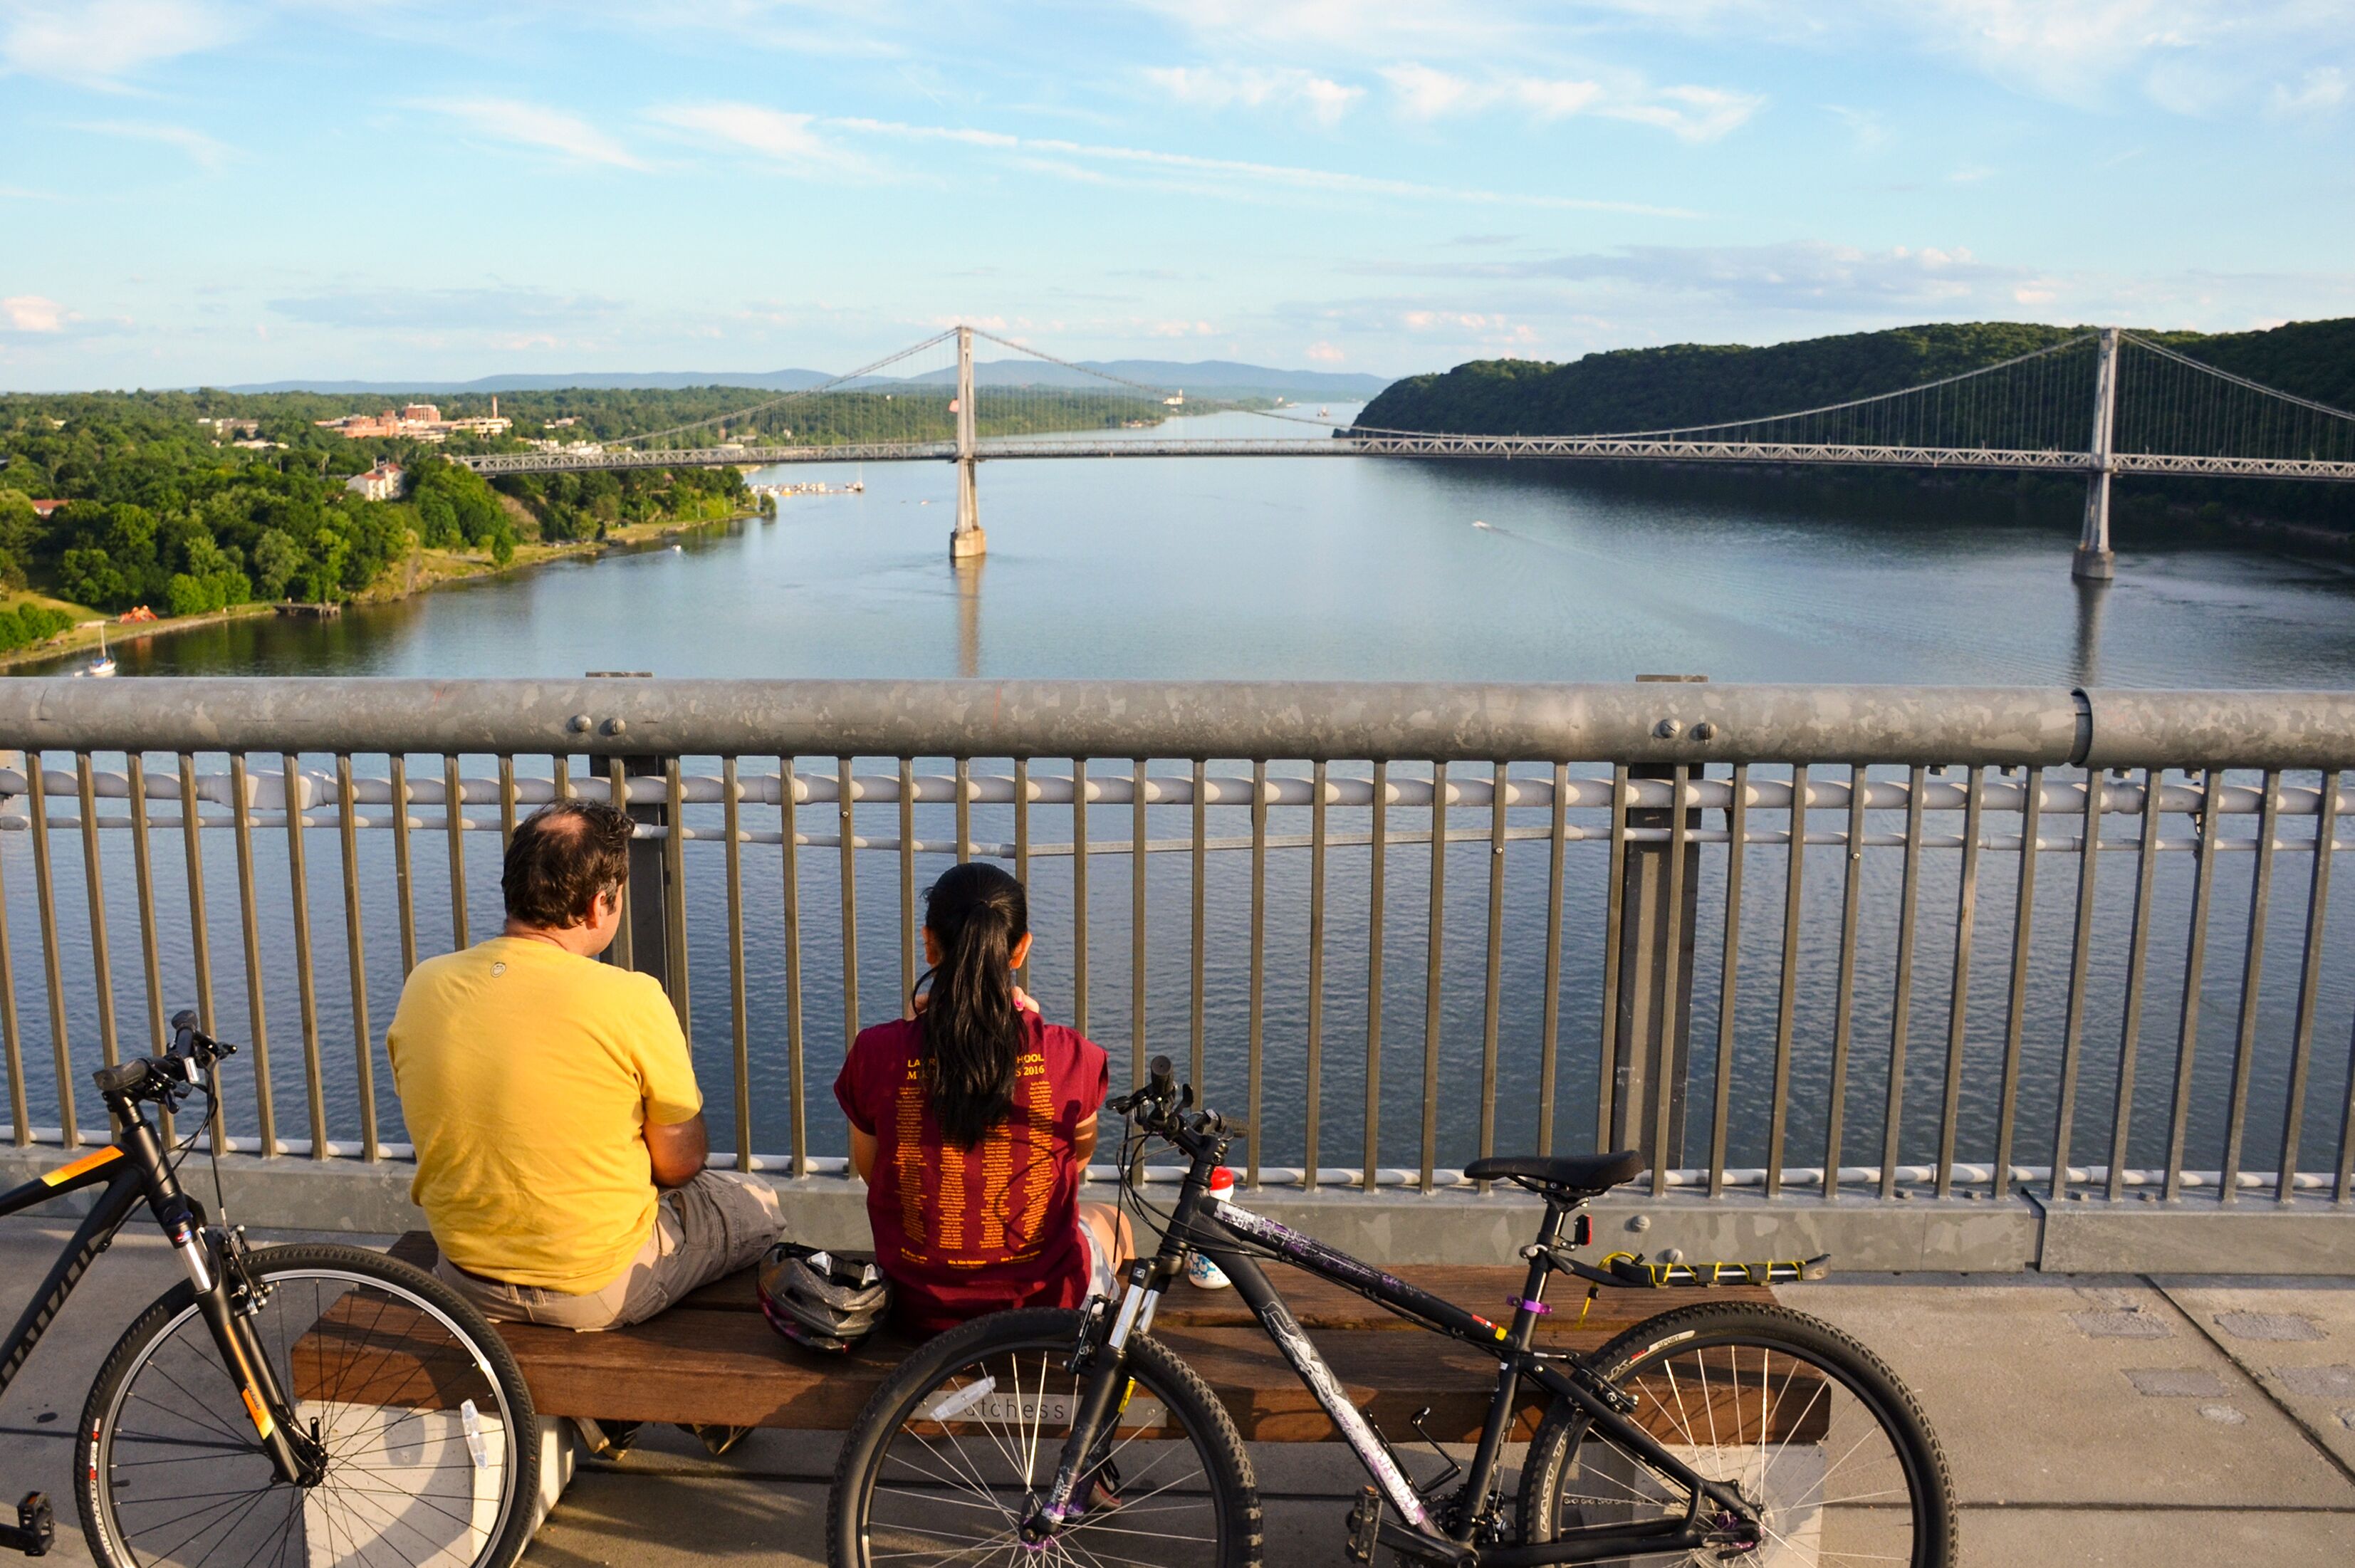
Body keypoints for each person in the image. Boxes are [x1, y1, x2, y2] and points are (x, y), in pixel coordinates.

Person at [388, 800, 785, 1332]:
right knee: (758, 1206)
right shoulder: (629, 998)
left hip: (465, 1278)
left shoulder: (426, 984)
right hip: (595, 1288)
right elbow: (678, 1166)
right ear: (601, 905)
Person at [835, 862, 1129, 1334]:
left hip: (917, 1312)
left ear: (929, 944)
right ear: (1020, 949)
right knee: (1112, 1220)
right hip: (1042, 1311)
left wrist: (910, 1034)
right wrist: (1035, 1033)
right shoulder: (1069, 1054)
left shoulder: (876, 1054)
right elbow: (1075, 1156)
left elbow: (876, 1171)